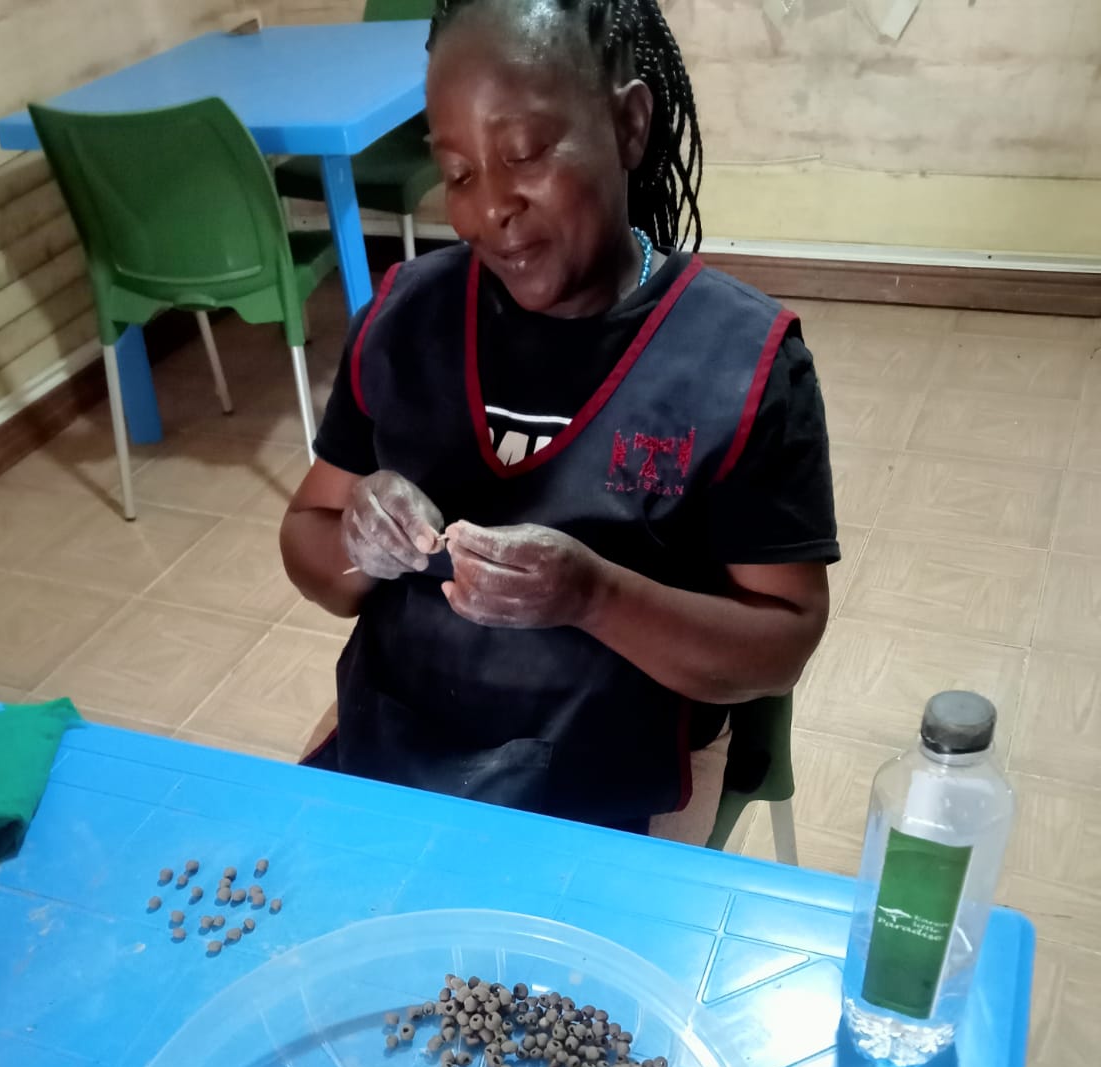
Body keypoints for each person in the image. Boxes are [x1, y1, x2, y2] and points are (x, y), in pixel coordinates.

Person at [279, 0, 838, 838]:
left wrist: (593, 597)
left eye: (526, 153)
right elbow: (308, 536)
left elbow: (781, 642)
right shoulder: (404, 322)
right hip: (400, 751)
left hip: (603, 789)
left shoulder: (739, 365)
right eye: (458, 173)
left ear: (628, 125)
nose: (491, 207)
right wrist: (358, 543)